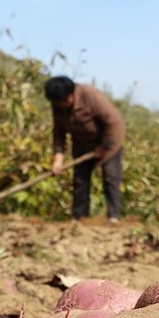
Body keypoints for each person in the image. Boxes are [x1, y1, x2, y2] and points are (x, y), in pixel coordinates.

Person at [44, 76, 126, 223]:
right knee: (80, 179)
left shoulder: (90, 95)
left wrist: (104, 146)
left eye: (62, 102)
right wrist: (58, 159)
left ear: (70, 95)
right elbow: (59, 133)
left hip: (108, 142)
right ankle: (79, 216)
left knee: (110, 176)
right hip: (82, 143)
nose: (60, 106)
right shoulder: (57, 105)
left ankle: (113, 217)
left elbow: (114, 122)